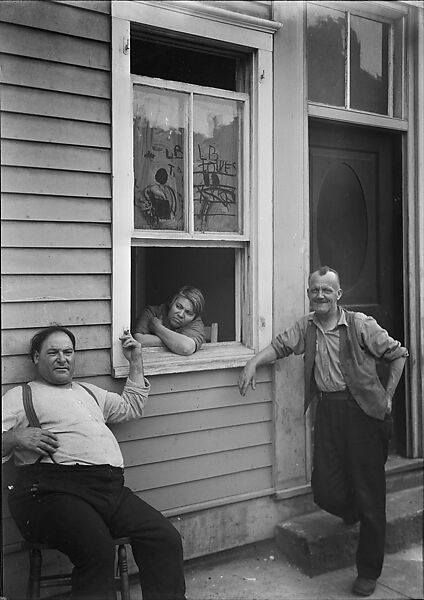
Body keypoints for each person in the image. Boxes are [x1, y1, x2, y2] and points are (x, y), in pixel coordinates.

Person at [238, 266, 408, 598]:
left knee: (371, 497)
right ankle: (353, 510)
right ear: (308, 294)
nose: (320, 295)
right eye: (315, 290)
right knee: (324, 489)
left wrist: (387, 397)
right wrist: (252, 362)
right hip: (329, 412)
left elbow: (398, 354)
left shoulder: (360, 325)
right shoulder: (307, 327)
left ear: (338, 294)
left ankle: (368, 572)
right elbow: (280, 346)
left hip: (364, 414)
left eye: (327, 290)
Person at [2, 326, 186, 600]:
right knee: (97, 550)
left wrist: (136, 361)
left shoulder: (89, 392)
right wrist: (15, 437)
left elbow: (131, 407)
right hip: (51, 492)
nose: (62, 359)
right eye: (53, 353)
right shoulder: (21, 395)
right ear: (36, 357)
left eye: (68, 352)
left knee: (163, 537)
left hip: (108, 489)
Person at [133, 286, 205, 356]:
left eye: (188, 313)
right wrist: (176, 343)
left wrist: (157, 328)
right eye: (178, 306)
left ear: (194, 317)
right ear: (172, 302)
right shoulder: (153, 312)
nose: (180, 314)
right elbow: (139, 340)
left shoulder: (196, 322)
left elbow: (186, 348)